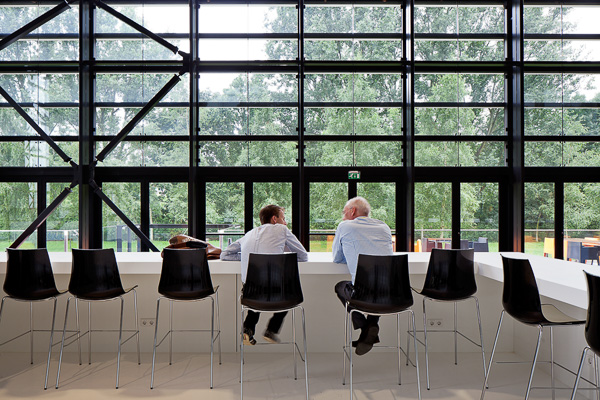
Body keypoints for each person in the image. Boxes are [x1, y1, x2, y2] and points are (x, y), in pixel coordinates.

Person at [220, 204, 308, 345]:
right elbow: (303, 256)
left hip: (251, 293)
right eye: (283, 218)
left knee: (258, 290)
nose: (285, 222)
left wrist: (247, 258)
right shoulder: (282, 229)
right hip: (278, 294)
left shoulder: (249, 234)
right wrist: (281, 257)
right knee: (288, 290)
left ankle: (248, 328)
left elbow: (224, 254)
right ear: (274, 219)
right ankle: (272, 330)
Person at [332, 196, 393, 355]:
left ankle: (366, 327)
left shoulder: (345, 226)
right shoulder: (384, 227)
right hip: (392, 293)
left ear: (352, 211)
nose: (343, 216)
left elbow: (337, 257)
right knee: (378, 285)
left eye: (344, 212)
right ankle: (371, 326)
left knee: (340, 287)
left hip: (362, 293)